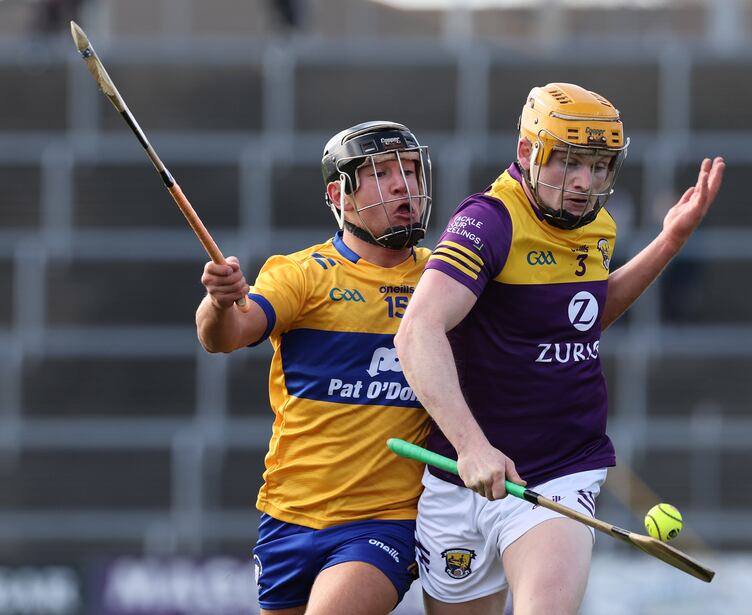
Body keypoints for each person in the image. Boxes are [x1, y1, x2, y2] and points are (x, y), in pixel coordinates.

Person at [394, 83, 725, 615]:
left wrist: (669, 241)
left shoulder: (599, 227)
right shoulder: (488, 222)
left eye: (598, 166)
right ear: (527, 153)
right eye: (569, 162)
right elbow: (417, 332)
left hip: (560, 468)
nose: (584, 183)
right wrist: (473, 447)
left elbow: (584, 318)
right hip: (463, 475)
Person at [196, 121, 433, 615]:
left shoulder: (441, 280)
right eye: (381, 173)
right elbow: (226, 335)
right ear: (339, 194)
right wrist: (219, 302)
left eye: (410, 171)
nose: (402, 185)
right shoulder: (302, 274)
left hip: (384, 522)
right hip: (287, 515)